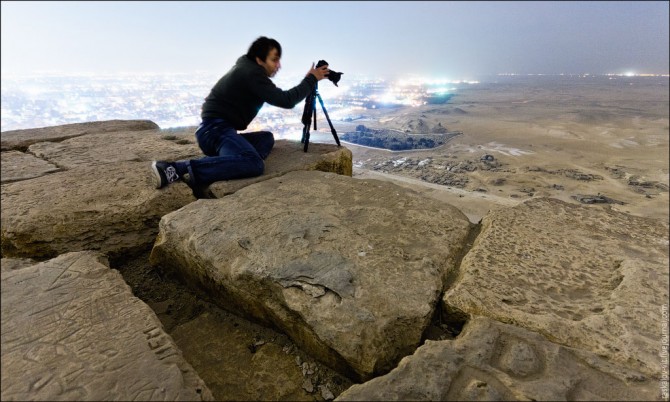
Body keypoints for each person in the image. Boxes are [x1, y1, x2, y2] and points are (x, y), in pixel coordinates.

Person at [151, 36, 329, 198]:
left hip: (217, 131)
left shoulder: (246, 67)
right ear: (259, 59)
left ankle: (232, 162)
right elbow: (287, 100)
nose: (278, 65)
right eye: (274, 59)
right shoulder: (252, 74)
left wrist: (309, 79)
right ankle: (176, 169)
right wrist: (311, 80)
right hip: (215, 132)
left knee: (266, 138)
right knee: (255, 165)